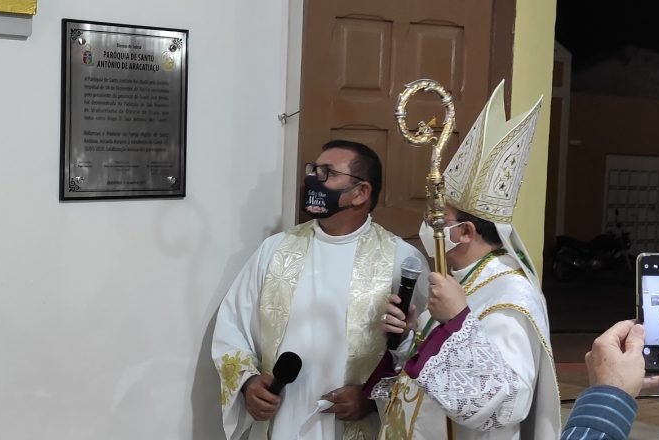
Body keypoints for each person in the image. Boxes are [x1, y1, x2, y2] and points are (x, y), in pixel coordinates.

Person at [366, 81, 561, 439]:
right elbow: (432, 372)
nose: (428, 227)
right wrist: (410, 337)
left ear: (467, 232)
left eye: (439, 221)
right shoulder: (460, 279)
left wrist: (457, 320)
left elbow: (507, 405)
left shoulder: (511, 298)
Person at [211, 139, 428, 439]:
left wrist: (371, 398)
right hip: (282, 418)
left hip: (354, 425)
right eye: (313, 170)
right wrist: (248, 383)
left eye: (327, 173)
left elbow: (422, 353)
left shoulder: (401, 261)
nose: (313, 179)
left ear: (361, 192)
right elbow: (232, 326)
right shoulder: (275, 250)